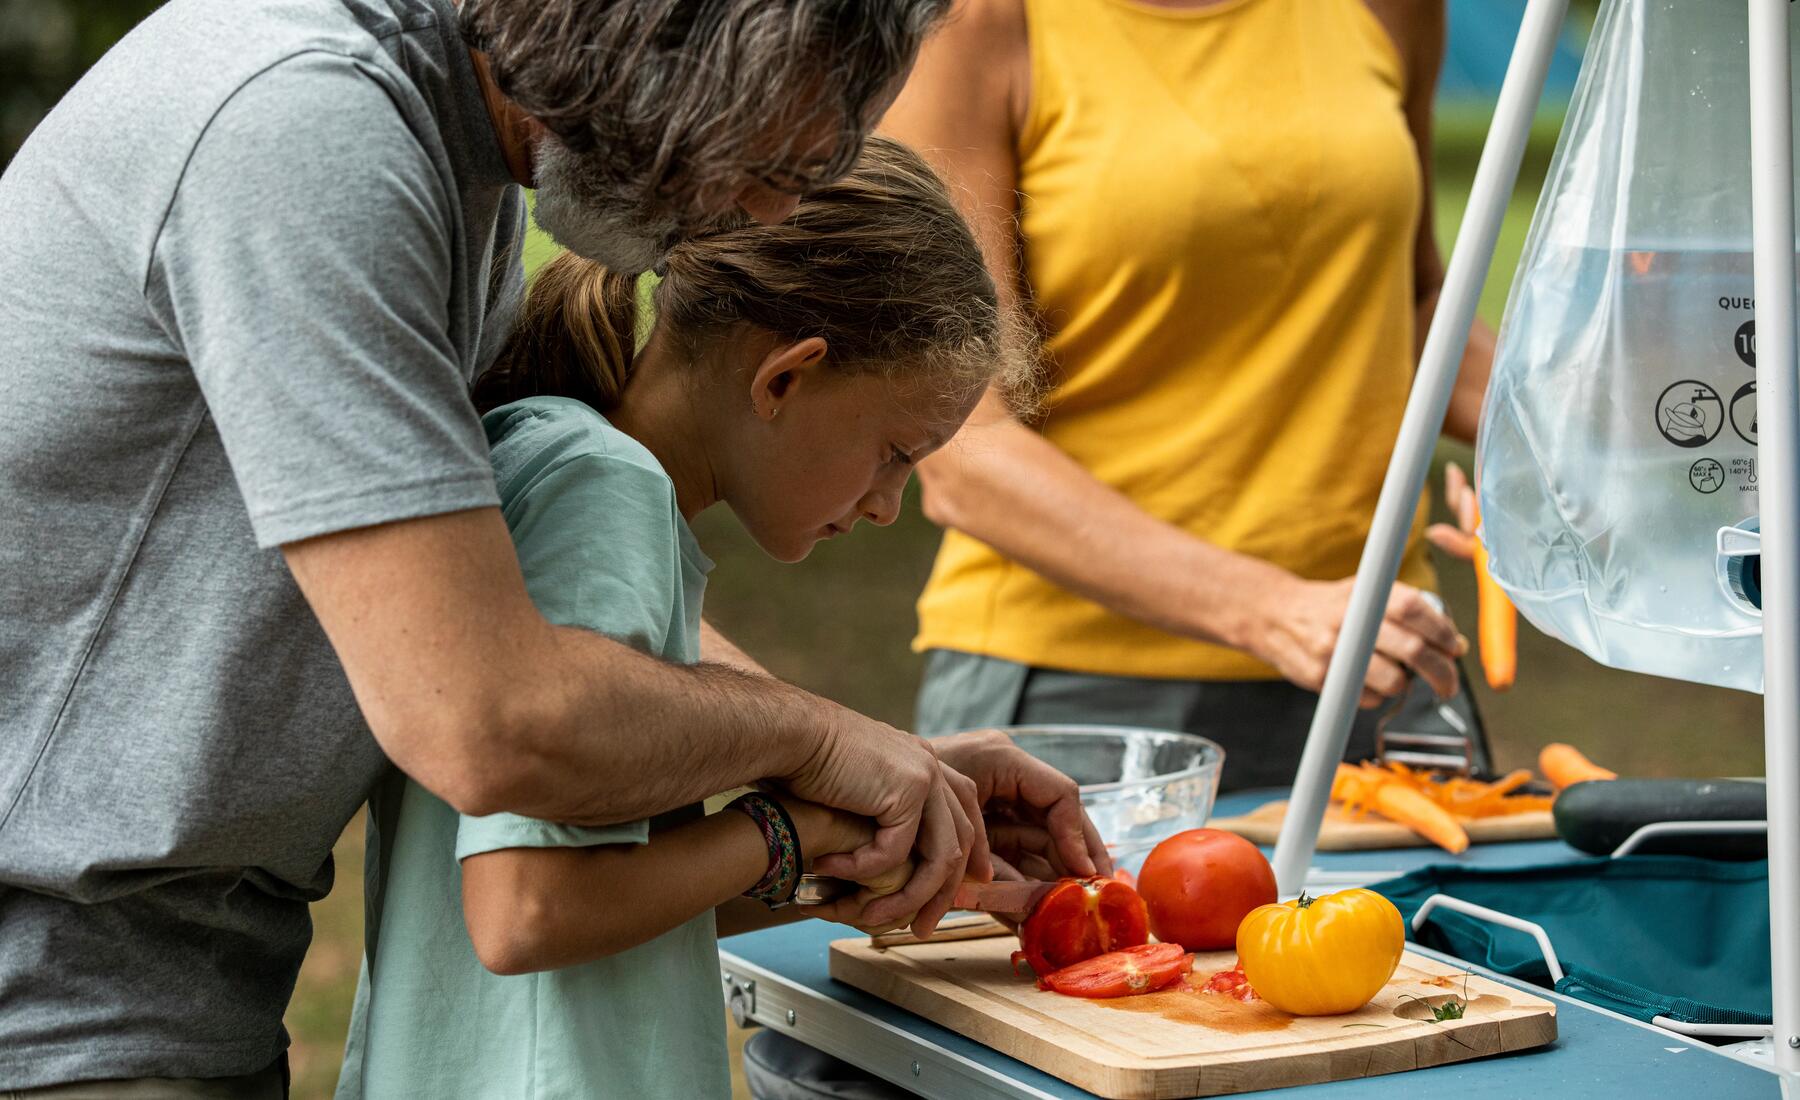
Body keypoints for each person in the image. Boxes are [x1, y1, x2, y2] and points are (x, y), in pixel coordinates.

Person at [0, 0, 1105, 1092]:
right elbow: (485, 715)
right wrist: (811, 754)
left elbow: (497, 616)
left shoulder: (442, 146)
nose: (768, 210)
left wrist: (879, 770)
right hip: (54, 995)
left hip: (164, 988)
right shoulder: (304, 127)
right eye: (785, 151)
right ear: (679, 33)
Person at [336, 136, 1037, 1099]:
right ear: (785, 376)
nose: (886, 506)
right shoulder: (602, 492)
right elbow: (525, 911)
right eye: (893, 452)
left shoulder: (566, 462)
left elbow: (610, 893)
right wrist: (791, 825)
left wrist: (865, 837)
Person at [883, 0, 1499, 786]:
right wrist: (1274, 609)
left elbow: (1412, 306)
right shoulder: (978, 21)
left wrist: (1572, 433)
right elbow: (961, 438)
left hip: (1385, 656)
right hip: (1075, 688)